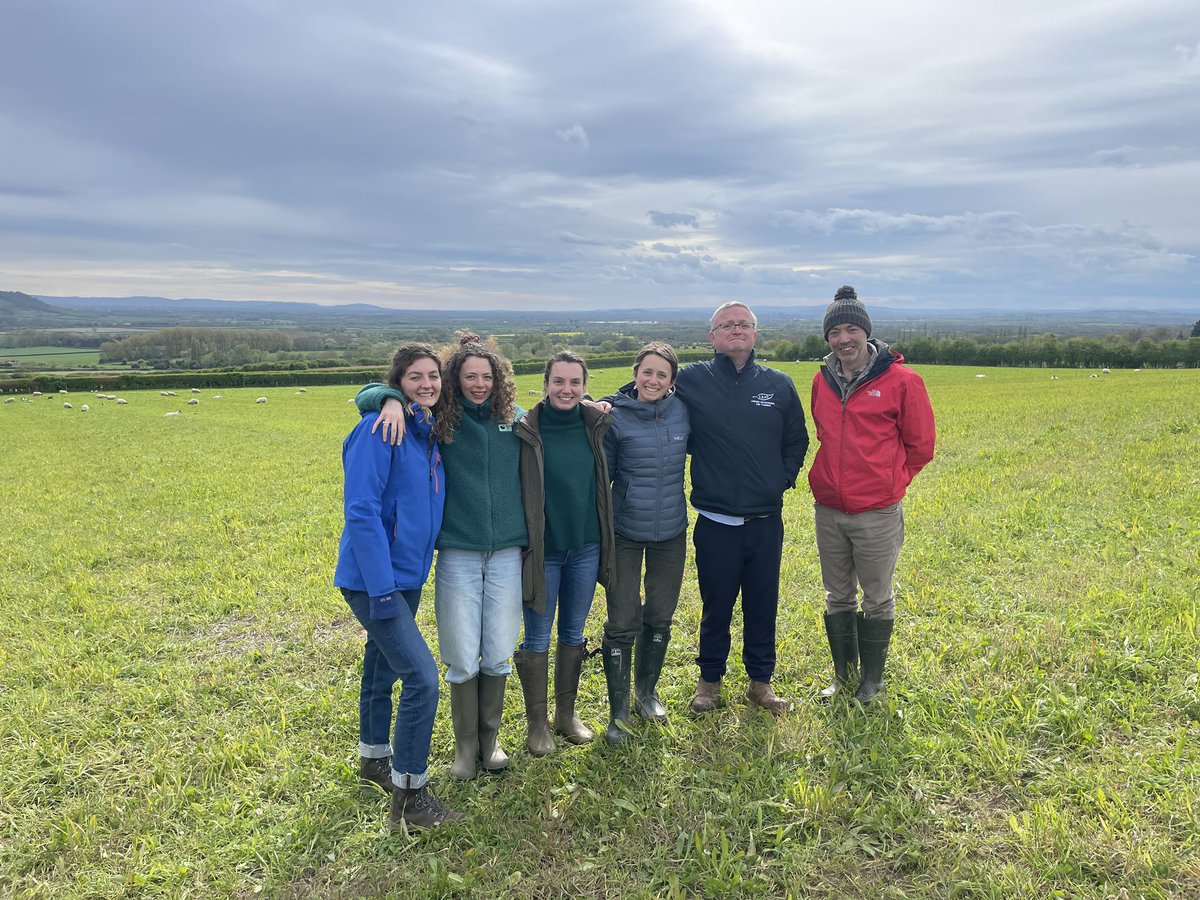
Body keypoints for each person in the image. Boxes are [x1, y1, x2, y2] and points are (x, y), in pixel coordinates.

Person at [356, 334, 528, 781]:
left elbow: (563, 409)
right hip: (457, 554)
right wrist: (388, 397)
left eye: (487, 377)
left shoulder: (516, 419)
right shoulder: (440, 423)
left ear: (499, 381)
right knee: (460, 652)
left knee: (498, 650)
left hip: (508, 551)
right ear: (456, 379)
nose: (479, 384)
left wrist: (599, 403)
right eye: (469, 376)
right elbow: (370, 395)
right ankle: (464, 748)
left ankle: (490, 740)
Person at [334, 343, 460, 830]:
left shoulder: (425, 431)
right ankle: (410, 798)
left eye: (433, 376)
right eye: (415, 377)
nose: (427, 384)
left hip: (407, 574)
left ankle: (374, 760)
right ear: (397, 382)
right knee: (423, 679)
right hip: (375, 580)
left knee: (382, 666)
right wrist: (382, 588)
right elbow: (361, 510)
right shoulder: (379, 428)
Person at [671, 302, 808, 716]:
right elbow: (645, 389)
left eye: (744, 324)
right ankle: (708, 683)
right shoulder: (692, 379)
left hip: (766, 521)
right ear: (712, 336)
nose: (736, 329)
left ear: (755, 334)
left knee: (763, 603)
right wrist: (600, 403)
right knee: (717, 605)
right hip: (715, 522)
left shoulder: (779, 384)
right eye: (726, 324)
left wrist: (779, 480)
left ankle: (760, 684)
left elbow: (796, 440)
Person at [809, 286, 936, 703]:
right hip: (829, 508)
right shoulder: (821, 379)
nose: (843, 339)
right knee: (837, 594)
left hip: (877, 512)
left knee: (877, 597)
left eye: (851, 329)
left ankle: (872, 682)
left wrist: (888, 484)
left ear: (866, 332)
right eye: (835, 332)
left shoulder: (902, 381)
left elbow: (921, 446)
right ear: (827, 338)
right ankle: (843, 678)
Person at [514, 351, 615, 752]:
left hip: (586, 548)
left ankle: (566, 715)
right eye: (559, 381)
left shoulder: (596, 423)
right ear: (546, 384)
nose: (567, 389)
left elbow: (640, 391)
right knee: (537, 637)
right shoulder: (525, 427)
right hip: (544, 552)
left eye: (575, 382)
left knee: (573, 632)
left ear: (585, 387)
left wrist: (604, 404)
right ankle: (536, 725)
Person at [600, 341, 689, 743]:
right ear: (635, 373)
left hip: (671, 531)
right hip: (625, 532)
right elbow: (602, 480)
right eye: (647, 371)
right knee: (622, 619)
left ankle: (646, 692)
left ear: (672, 381)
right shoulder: (614, 417)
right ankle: (618, 711)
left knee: (661, 612)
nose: (653, 380)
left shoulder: (684, 410)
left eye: (662, 374)